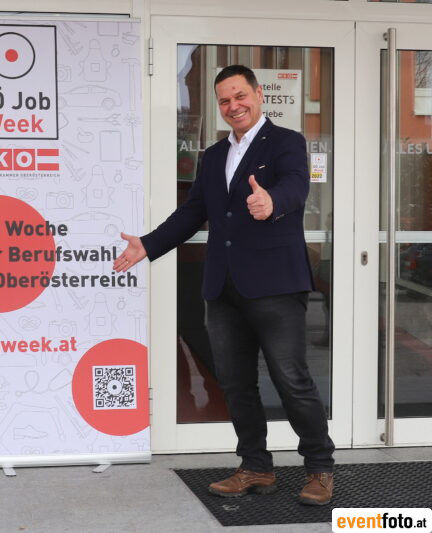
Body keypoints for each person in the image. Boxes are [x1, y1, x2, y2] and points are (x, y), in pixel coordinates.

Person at [113, 65, 335, 505]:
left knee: (291, 380)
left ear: (258, 94)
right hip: (223, 288)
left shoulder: (287, 142)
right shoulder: (215, 155)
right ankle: (255, 466)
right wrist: (149, 245)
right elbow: (193, 211)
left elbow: (295, 186)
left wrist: (272, 201)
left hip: (276, 284)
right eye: (225, 101)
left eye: (240, 96)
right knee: (235, 383)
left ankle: (320, 468)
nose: (234, 106)